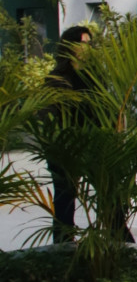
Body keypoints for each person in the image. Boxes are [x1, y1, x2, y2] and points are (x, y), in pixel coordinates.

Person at [48, 23, 93, 239]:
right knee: (65, 202)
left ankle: (121, 243)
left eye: (89, 44)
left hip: (93, 144)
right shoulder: (57, 78)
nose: (87, 48)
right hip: (65, 148)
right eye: (82, 43)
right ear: (69, 46)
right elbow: (49, 116)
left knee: (109, 197)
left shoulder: (93, 76)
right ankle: (63, 245)